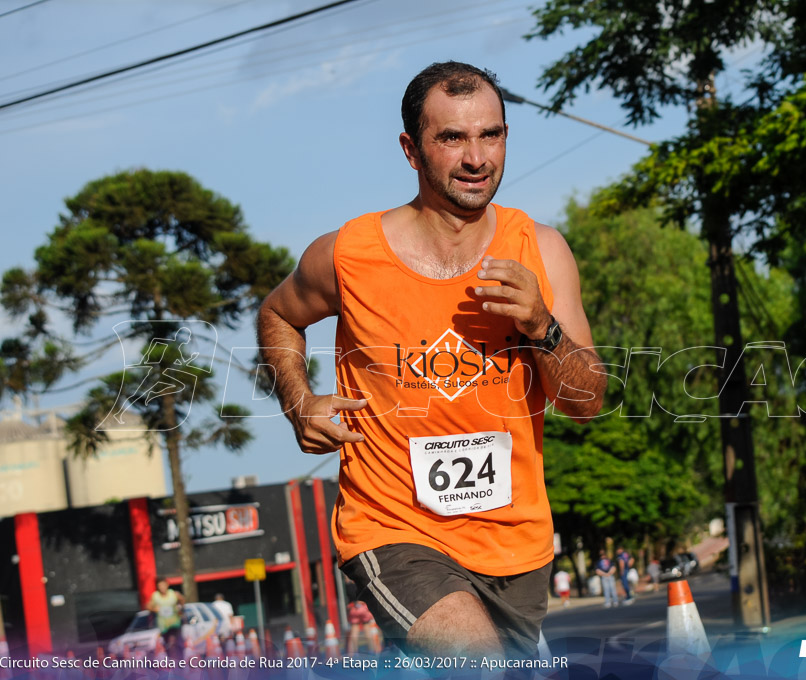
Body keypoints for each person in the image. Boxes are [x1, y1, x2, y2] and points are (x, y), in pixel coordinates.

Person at [257, 61, 605, 660]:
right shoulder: (349, 255)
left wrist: (541, 325)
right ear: (411, 149)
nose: (477, 157)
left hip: (514, 543)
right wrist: (297, 399)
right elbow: (278, 315)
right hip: (392, 528)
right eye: (452, 138)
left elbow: (586, 403)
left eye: (490, 135)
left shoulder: (541, 251)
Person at [146, 579, 184, 657]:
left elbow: (182, 599)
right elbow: (148, 606)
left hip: (175, 623)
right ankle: (173, 661)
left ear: (167, 585)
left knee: (172, 641)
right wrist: (154, 609)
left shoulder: (173, 594)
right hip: (163, 625)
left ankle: (178, 661)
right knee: (168, 644)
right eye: (160, 586)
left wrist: (180, 608)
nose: (162, 587)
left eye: (163, 585)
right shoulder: (155, 596)